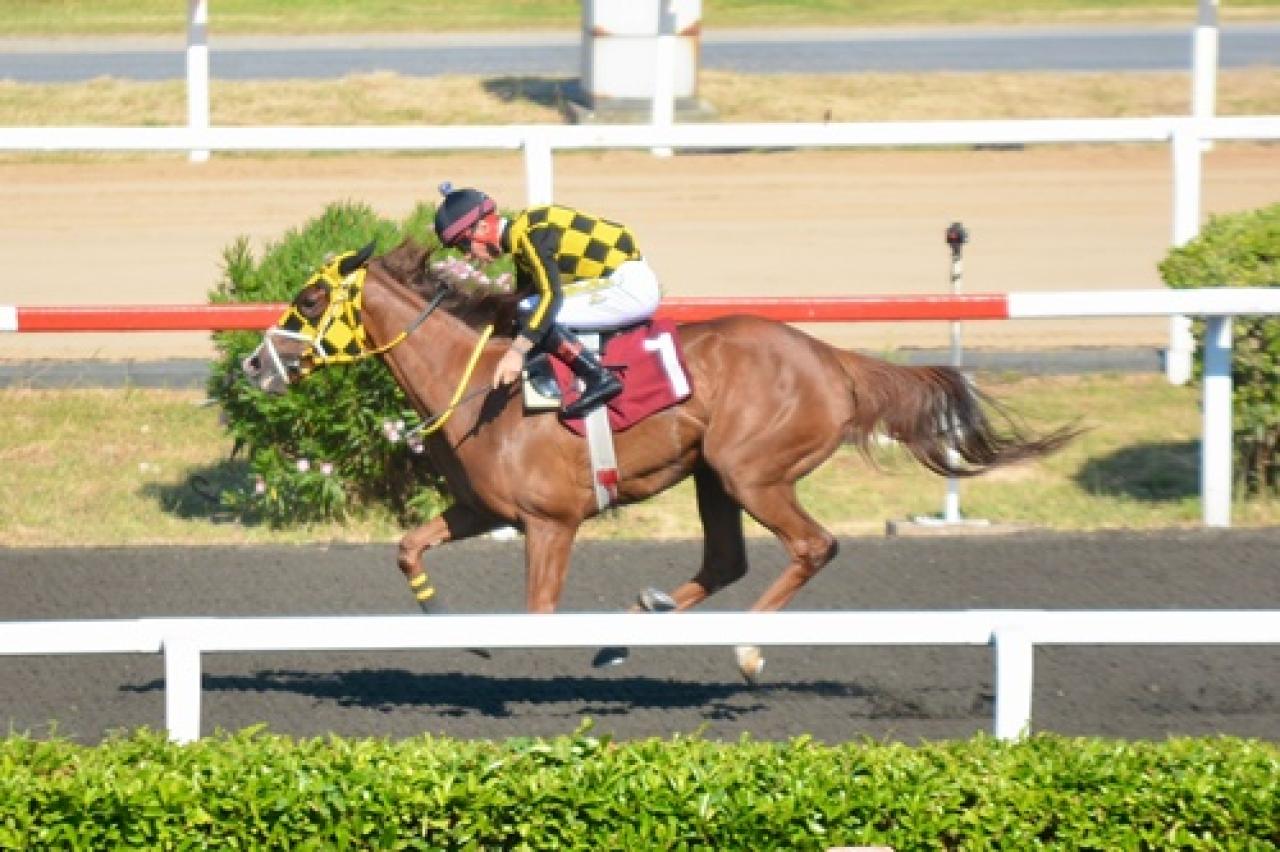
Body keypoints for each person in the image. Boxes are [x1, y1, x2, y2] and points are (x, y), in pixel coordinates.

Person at [433, 182, 662, 419]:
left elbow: (551, 297)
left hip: (630, 287)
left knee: (530, 311)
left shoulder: (532, 236)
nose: (467, 255)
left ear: (481, 227)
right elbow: (523, 298)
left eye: (462, 244)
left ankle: (598, 378)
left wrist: (516, 352)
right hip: (620, 280)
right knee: (524, 309)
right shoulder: (523, 234)